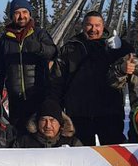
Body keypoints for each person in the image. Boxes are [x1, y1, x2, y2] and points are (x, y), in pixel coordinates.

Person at [52, 11, 130, 146]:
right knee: (82, 156)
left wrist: (122, 47)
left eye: (97, 25)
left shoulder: (112, 46)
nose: (93, 29)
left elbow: (133, 57)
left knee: (113, 154)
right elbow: (57, 81)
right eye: (89, 25)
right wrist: (56, 108)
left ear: (103, 26)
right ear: (83, 26)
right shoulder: (71, 48)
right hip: (79, 113)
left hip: (109, 112)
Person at [0, 0, 57, 135]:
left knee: (39, 134)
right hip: (16, 99)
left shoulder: (39, 34)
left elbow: (53, 52)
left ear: (29, 14)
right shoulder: (5, 40)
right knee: (18, 135)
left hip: (38, 95)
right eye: (17, 13)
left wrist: (39, 48)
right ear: (12, 16)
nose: (21, 16)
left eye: (24, 12)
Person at [13, 98, 82, 148]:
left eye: (52, 120)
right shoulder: (23, 143)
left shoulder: (73, 144)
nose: (48, 126)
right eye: (43, 120)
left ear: (60, 124)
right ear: (37, 123)